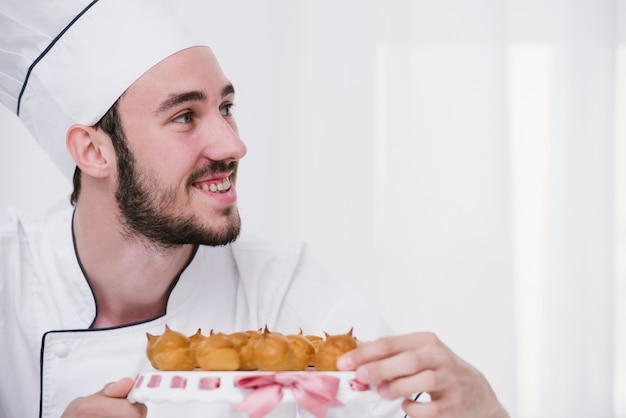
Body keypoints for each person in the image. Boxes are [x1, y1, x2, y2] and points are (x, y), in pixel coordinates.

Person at [0, 1, 510, 417]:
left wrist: (485, 409)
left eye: (225, 108)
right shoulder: (9, 276)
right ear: (93, 152)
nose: (233, 145)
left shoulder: (287, 292)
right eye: (184, 116)